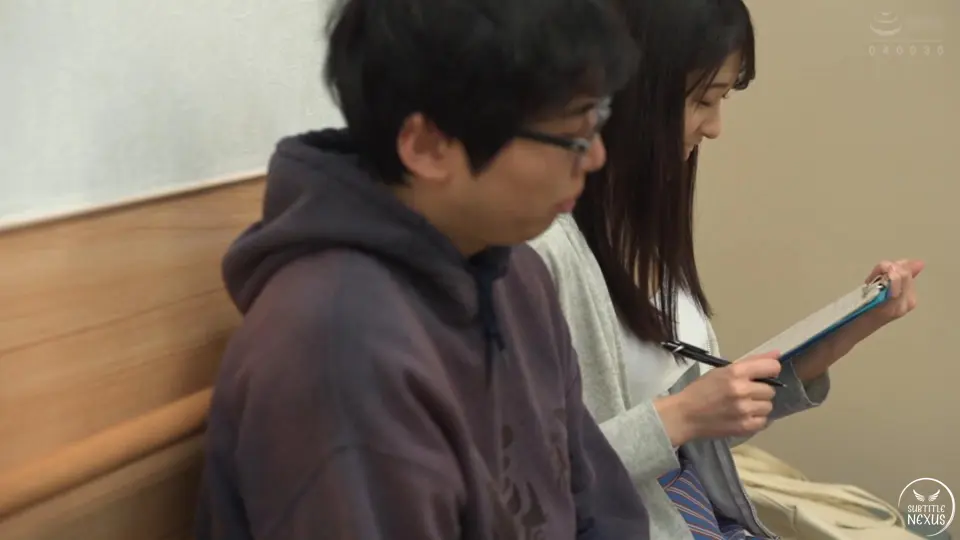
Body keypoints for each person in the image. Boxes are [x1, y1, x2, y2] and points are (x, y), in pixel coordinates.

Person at [193, 0, 653, 538]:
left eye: (597, 120)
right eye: (573, 136)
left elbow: (602, 509)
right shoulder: (336, 347)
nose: (595, 157)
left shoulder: (515, 271)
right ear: (429, 146)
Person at [529, 0, 924, 538]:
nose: (715, 127)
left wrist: (849, 328)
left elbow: (697, 437)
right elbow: (531, 481)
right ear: (634, 94)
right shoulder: (542, 250)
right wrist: (683, 415)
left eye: (721, 99)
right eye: (703, 100)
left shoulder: (637, 232)